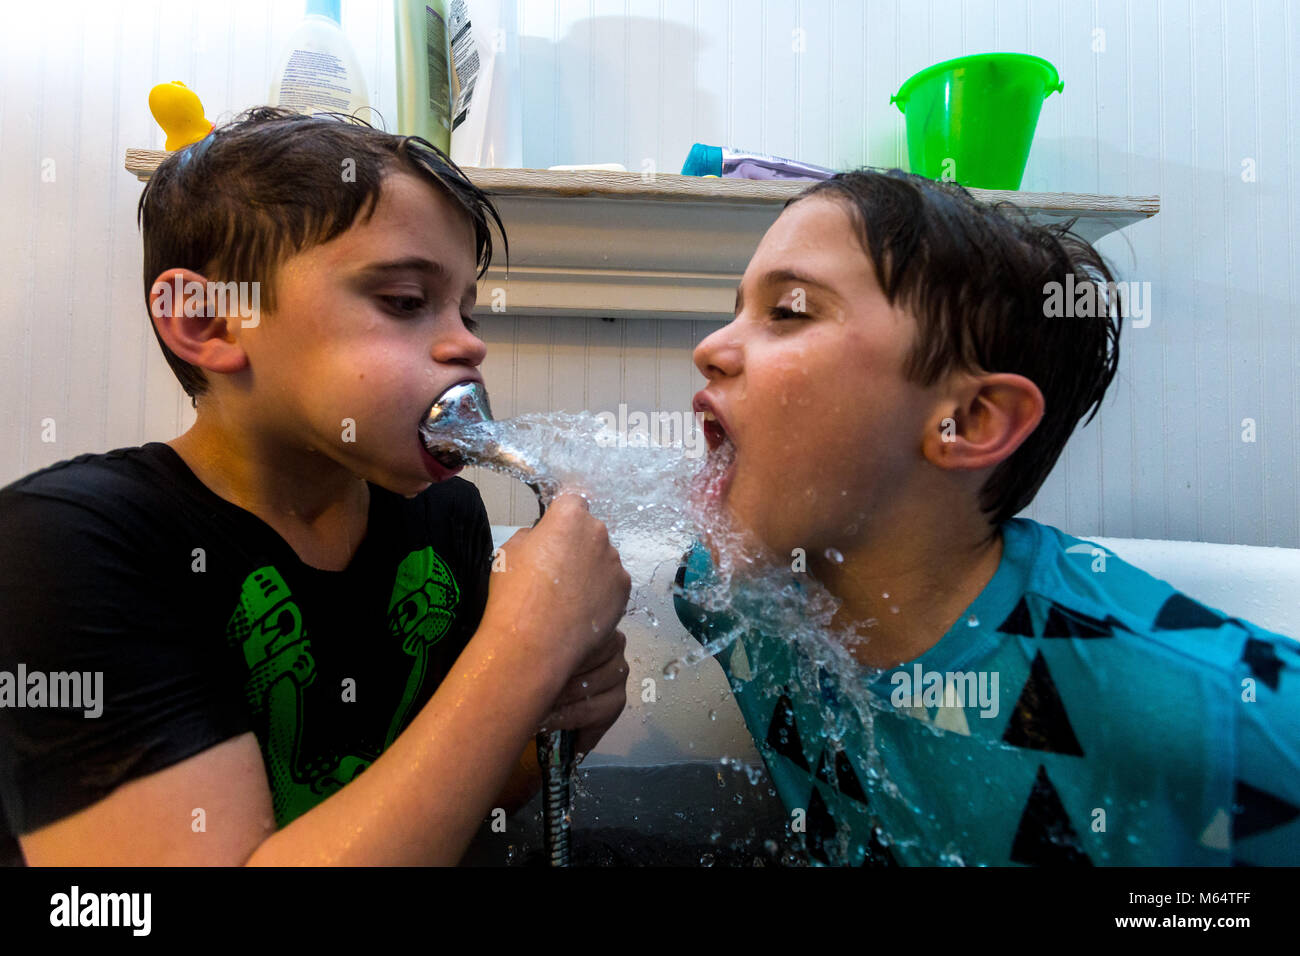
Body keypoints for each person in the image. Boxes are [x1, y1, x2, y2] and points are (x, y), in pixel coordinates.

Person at [0, 108, 632, 866]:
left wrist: (554, 724)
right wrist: (524, 649)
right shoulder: (64, 544)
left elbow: (437, 811)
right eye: (404, 301)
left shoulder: (444, 518)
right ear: (207, 322)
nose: (470, 342)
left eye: (465, 306)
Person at [674, 169, 1300, 866]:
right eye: (734, 309)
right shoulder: (731, 599)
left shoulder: (1198, 705)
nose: (710, 348)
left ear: (968, 421)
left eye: (788, 312)